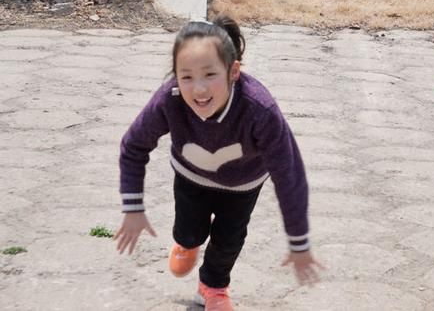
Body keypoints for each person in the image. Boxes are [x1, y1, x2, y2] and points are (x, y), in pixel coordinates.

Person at [114, 16, 323, 310]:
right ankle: (188, 242)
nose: (198, 89)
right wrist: (133, 208)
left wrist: (298, 239)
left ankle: (213, 287)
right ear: (175, 75)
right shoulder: (169, 98)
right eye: (186, 76)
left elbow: (289, 173)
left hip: (242, 185)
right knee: (188, 231)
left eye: (210, 74)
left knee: (229, 240)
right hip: (191, 177)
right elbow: (134, 145)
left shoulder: (260, 110)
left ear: (233, 71)